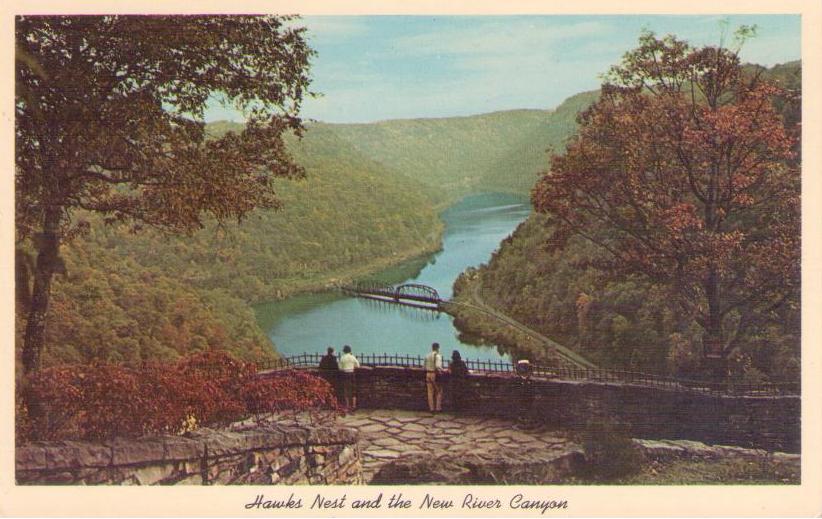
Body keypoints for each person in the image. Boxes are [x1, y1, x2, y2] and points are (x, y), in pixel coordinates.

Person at [338, 345, 360, 410]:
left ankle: (347, 406)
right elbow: (358, 365)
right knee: (353, 390)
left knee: (346, 390)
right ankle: (354, 405)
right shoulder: (352, 357)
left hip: (345, 374)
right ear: (350, 350)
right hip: (352, 373)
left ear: (344, 351)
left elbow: (340, 368)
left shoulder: (342, 358)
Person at [424, 342, 443, 412]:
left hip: (428, 374)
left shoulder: (427, 356)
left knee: (430, 392)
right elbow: (438, 366)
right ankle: (438, 408)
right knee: (439, 391)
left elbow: (424, 367)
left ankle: (431, 408)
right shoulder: (438, 356)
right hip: (434, 375)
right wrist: (442, 371)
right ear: (438, 348)